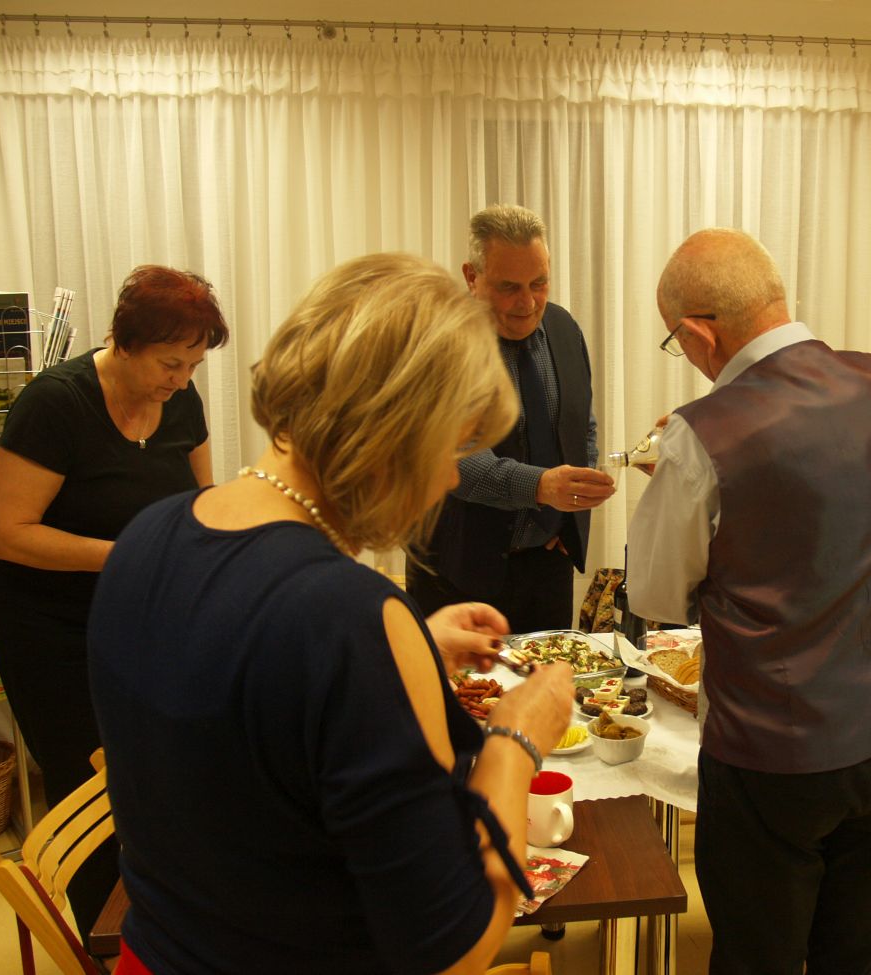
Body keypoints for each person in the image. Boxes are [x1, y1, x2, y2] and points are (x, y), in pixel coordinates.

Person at [87, 253, 575, 974]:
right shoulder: (347, 619)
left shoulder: (149, 536)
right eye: (453, 447)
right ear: (396, 431)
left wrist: (410, 648)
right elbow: (455, 947)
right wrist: (514, 740)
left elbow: (243, 713)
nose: (449, 477)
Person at [627, 229, 871, 975]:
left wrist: (678, 481)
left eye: (677, 342)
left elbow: (658, 594)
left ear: (700, 332)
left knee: (757, 958)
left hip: (775, 755)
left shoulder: (702, 433)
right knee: (860, 956)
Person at [0, 264, 228, 937]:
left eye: (194, 365)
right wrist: (126, 554)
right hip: (50, 628)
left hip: (138, 614)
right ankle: (108, 938)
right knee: (86, 782)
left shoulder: (181, 402)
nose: (181, 380)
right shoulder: (57, 404)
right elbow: (5, 533)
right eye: (170, 363)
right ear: (124, 340)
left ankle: (165, 919)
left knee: (156, 765)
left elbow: (198, 503)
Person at [406, 204, 614, 633]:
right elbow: (454, 458)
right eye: (509, 287)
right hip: (457, 577)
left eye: (540, 283)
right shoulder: (438, 344)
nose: (528, 302)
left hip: (547, 567)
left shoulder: (564, 328)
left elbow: (582, 427)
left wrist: (567, 511)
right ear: (471, 277)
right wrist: (541, 488)